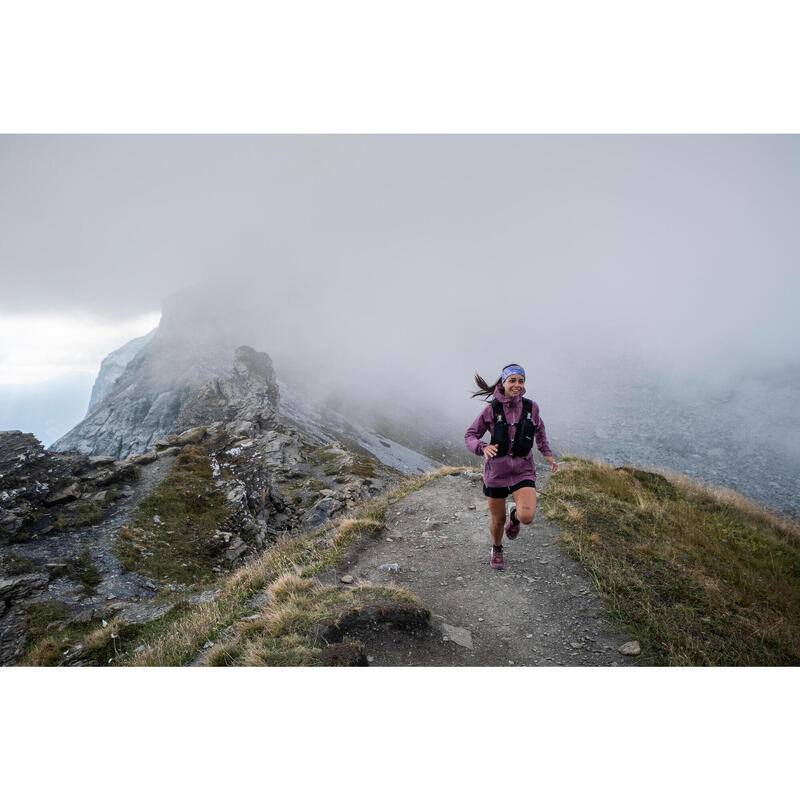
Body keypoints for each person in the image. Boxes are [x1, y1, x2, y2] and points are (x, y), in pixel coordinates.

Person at [465, 363, 558, 570]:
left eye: (521, 381)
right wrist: (482, 447)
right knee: (498, 520)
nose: (517, 384)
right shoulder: (490, 411)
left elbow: (539, 431)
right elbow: (470, 435)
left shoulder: (531, 408)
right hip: (496, 473)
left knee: (527, 516)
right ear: (504, 382)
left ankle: (514, 517)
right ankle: (497, 548)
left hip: (523, 470)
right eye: (512, 380)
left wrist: (547, 454)